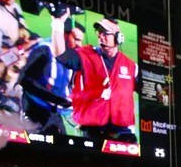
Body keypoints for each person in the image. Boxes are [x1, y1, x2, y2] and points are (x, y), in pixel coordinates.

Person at [52, 13, 139, 142]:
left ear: (118, 37)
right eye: (99, 32)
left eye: (106, 33)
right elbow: (61, 55)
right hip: (94, 131)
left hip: (123, 132)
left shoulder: (131, 66)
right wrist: (58, 23)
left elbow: (149, 93)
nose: (100, 37)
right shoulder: (86, 55)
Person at [19, 19, 85, 135]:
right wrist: (56, 99)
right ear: (63, 35)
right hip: (34, 110)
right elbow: (25, 81)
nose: (79, 44)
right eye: (76, 39)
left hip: (55, 113)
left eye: (81, 40)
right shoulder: (44, 50)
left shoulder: (72, 58)